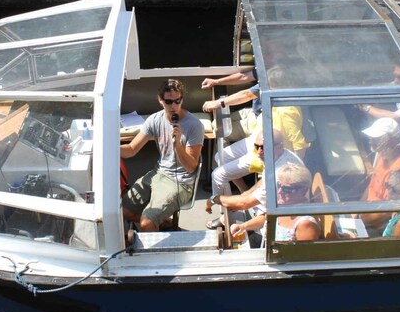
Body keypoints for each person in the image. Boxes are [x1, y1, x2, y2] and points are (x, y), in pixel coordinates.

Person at [120, 79, 205, 232]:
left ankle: (154, 245)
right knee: (121, 211)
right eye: (169, 101)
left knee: (146, 223)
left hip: (180, 181)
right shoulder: (154, 120)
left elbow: (191, 166)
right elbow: (132, 149)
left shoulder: (195, 125)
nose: (173, 106)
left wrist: (178, 143)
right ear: (160, 100)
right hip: (158, 173)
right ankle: (165, 223)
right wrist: (111, 146)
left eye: (177, 101)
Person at [205, 127, 302, 231]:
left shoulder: (279, 174)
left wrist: (214, 199)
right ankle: (230, 219)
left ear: (280, 146)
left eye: (265, 147)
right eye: (256, 147)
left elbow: (245, 203)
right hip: (279, 204)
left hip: (285, 215)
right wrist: (247, 192)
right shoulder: (279, 156)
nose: (259, 152)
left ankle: (240, 227)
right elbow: (263, 181)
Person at [358, 117, 400, 233]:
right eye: (371, 138)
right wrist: (357, 211)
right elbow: (371, 186)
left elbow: (391, 208)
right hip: (365, 215)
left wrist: (362, 222)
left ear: (393, 140)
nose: (370, 141)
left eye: (376, 139)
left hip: (378, 225)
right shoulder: (384, 154)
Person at [273, 163, 323, 242]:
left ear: (303, 191)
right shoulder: (282, 208)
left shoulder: (305, 224)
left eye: (286, 189)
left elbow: (305, 253)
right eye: (279, 185)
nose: (279, 192)